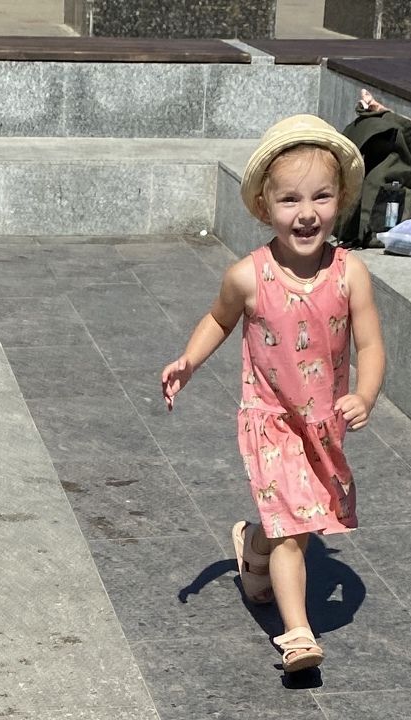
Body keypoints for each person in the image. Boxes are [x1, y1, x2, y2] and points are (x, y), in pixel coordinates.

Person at [160, 114, 386, 673]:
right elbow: (218, 320)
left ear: (340, 200)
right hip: (270, 420)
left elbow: (371, 344)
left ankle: (252, 546)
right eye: (290, 200)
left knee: (296, 518)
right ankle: (298, 633)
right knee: (295, 528)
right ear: (264, 207)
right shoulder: (248, 276)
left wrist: (365, 395)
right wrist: (189, 360)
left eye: (321, 197)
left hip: (322, 422)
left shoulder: (351, 273)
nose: (306, 213)